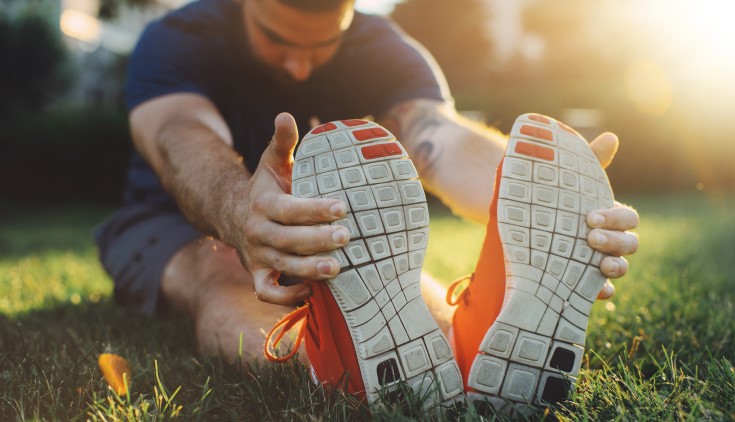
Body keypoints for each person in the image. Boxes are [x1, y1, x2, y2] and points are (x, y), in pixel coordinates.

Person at [95, 0, 639, 409]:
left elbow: (439, 140)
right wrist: (242, 214)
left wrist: (534, 187)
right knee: (223, 267)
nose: (302, 67)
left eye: (322, 45)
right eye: (278, 38)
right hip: (172, 222)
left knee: (396, 292)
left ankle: (467, 359)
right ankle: (330, 370)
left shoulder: (383, 46)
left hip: (337, 230)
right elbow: (177, 134)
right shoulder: (180, 37)